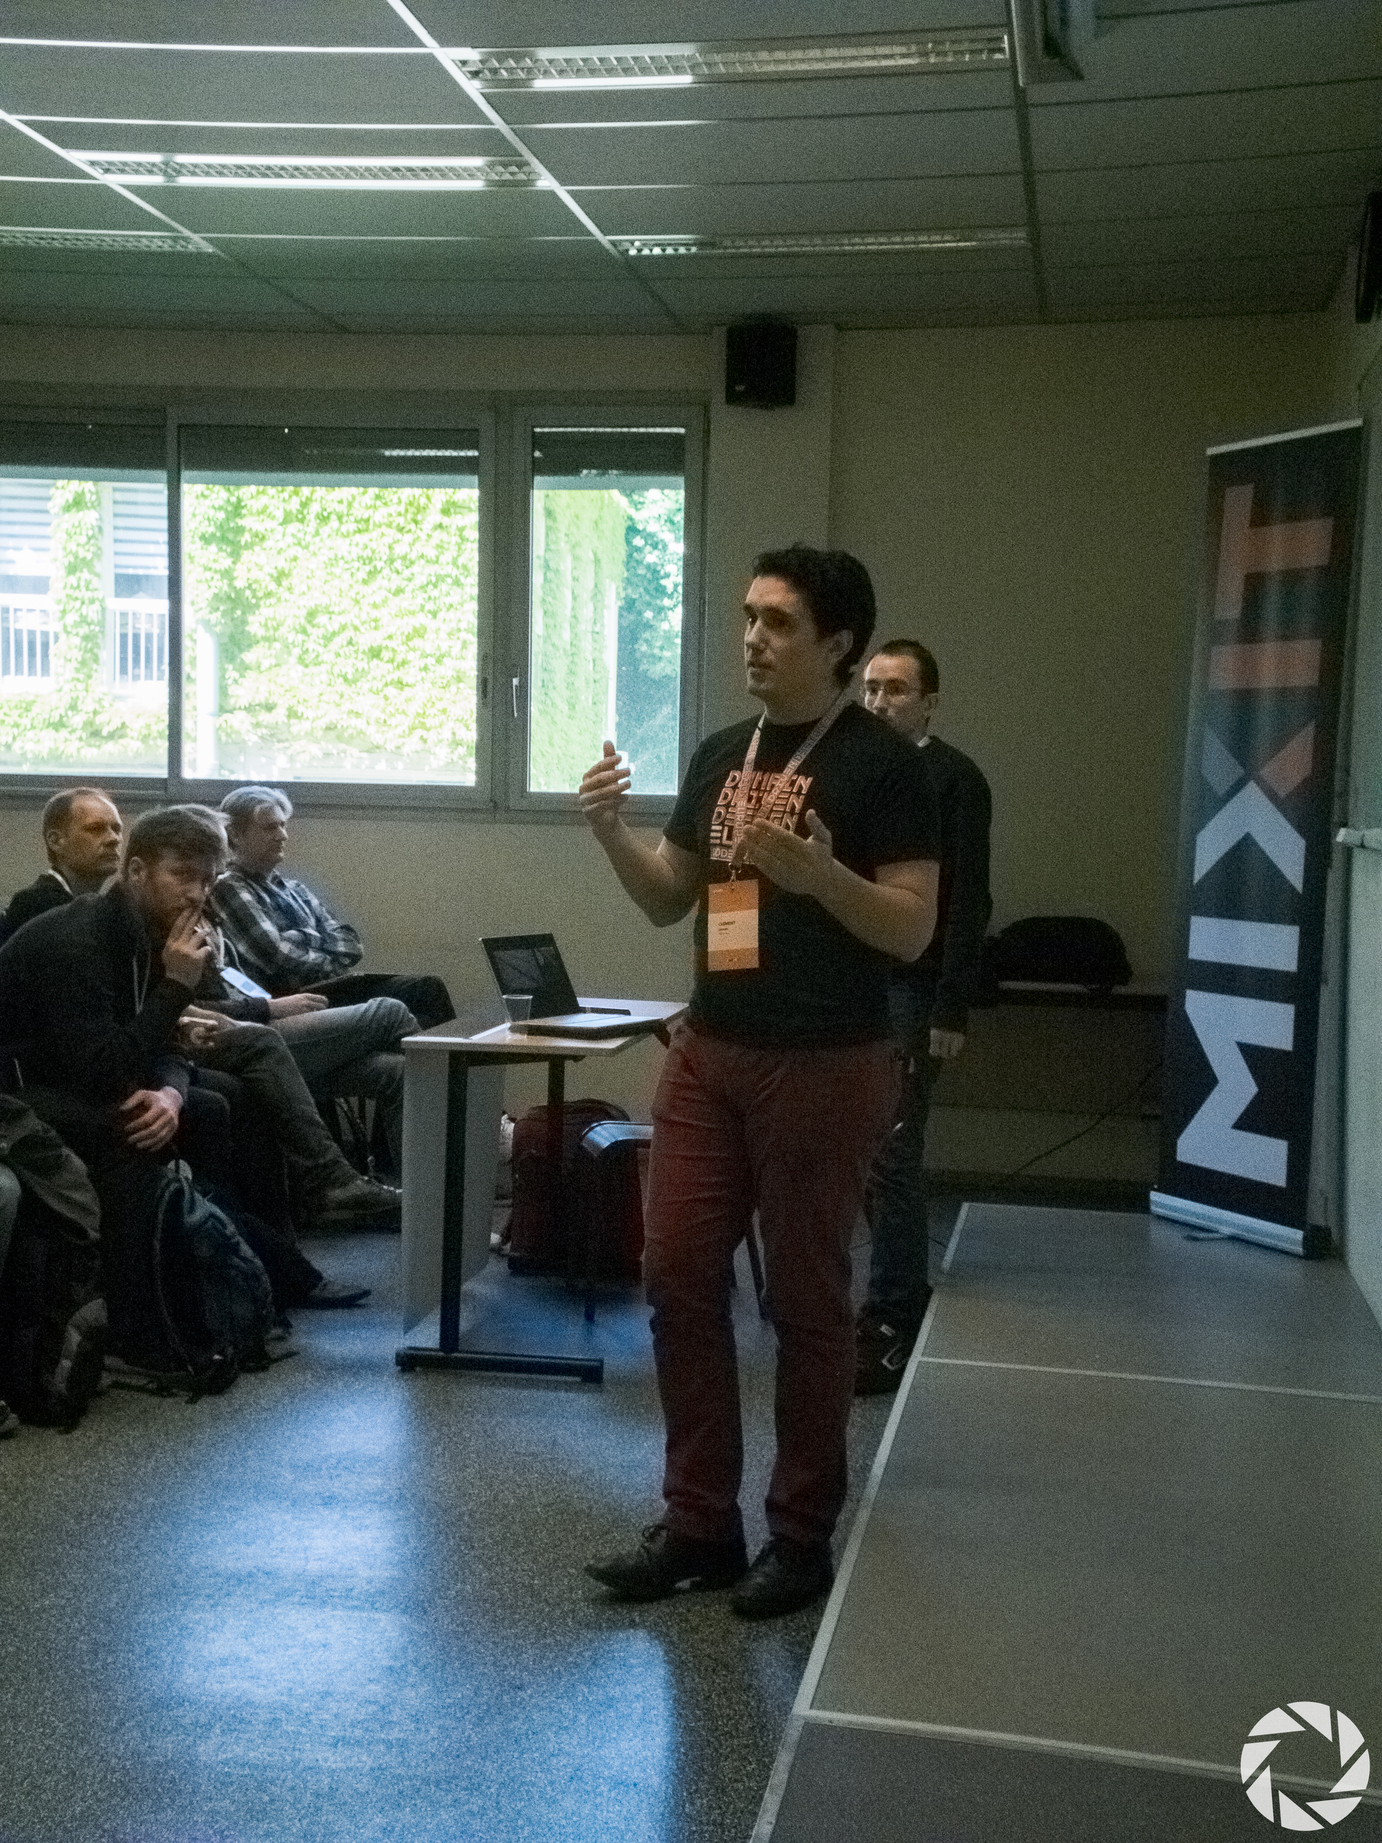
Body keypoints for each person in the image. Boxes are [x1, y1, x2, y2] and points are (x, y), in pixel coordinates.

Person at [579, 546, 939, 1619]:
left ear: (838, 643)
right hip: (712, 1050)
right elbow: (667, 898)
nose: (751, 637)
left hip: (826, 1061)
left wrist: (823, 877)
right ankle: (699, 1523)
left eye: (778, 622)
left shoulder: (887, 768)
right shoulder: (720, 753)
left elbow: (911, 930)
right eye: (748, 617)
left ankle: (798, 1534)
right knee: (677, 1272)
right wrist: (608, 829)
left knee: (804, 1299)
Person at [0, 806, 394, 1337]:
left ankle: (260, 1280)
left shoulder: (152, 931)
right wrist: (177, 987)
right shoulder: (77, 941)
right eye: (181, 875)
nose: (195, 894)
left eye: (207, 880)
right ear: (137, 871)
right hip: (22, 1093)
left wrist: (170, 1094)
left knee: (224, 1104)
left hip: (83, 1074)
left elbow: (169, 1044)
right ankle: (182, 1310)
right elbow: (104, 1067)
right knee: (138, 1129)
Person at [857, 641, 992, 1392]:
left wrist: (951, 1004)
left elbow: (969, 898)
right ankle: (886, 1283)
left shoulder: (955, 778)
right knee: (859, 1147)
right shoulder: (855, 770)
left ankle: (894, 1310)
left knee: (894, 1150)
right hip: (855, 984)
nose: (879, 703)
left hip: (917, 988)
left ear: (930, 702)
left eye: (896, 690)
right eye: (871, 689)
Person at [211, 786, 454, 1029]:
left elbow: (351, 943)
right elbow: (277, 955)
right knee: (402, 1005)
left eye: (283, 825)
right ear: (235, 836)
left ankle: (438, 1052)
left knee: (427, 988)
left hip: (332, 986)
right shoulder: (230, 887)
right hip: (294, 999)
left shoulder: (295, 889)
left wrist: (299, 937)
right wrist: (324, 947)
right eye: (270, 828)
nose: (282, 835)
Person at [1, 787, 123, 941]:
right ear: (56, 841)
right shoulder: (35, 905)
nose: (114, 839)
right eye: (95, 828)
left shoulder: (90, 906)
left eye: (117, 829)